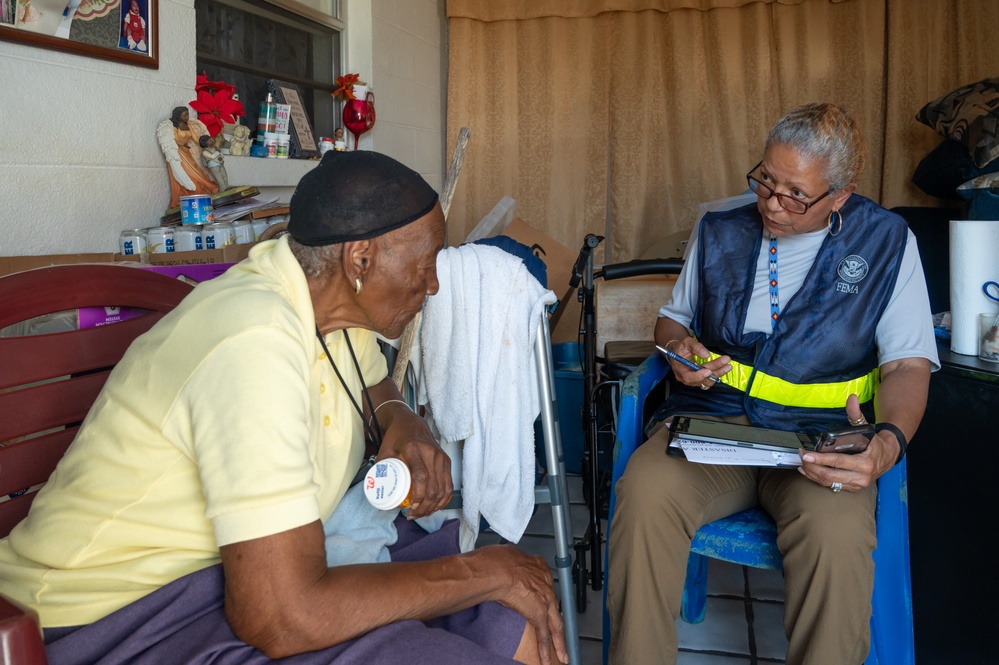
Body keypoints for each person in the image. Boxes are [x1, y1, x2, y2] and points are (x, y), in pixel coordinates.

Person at [0, 151, 567, 665]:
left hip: (246, 572)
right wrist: (480, 572)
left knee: (515, 623)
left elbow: (376, 389)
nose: (435, 285)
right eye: (425, 265)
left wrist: (404, 421)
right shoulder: (254, 339)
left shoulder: (327, 305)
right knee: (485, 603)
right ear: (361, 260)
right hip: (120, 616)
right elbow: (281, 616)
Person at [606, 103, 938, 665]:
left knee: (836, 538)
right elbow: (673, 319)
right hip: (715, 425)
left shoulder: (887, 243)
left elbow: (906, 365)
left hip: (821, 440)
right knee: (644, 495)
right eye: (765, 180)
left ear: (841, 194)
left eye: (795, 194)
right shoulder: (719, 231)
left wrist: (885, 444)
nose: (772, 203)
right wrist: (679, 349)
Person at [157, 106, 220, 209]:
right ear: (178, 115)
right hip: (177, 154)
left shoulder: (188, 125)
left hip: (187, 152)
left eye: (188, 114)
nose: (187, 117)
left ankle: (205, 188)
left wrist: (207, 144)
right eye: (185, 115)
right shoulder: (173, 127)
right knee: (186, 173)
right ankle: (191, 192)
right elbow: (176, 139)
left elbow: (196, 138)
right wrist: (182, 144)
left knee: (196, 171)